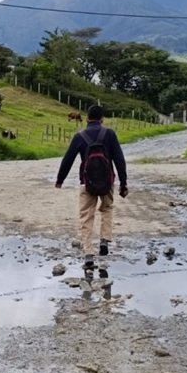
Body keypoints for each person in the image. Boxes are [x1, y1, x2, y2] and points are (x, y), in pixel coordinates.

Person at [54, 105, 128, 269]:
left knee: (86, 217)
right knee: (107, 208)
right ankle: (104, 240)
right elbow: (119, 160)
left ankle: (88, 253)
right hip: (107, 182)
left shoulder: (79, 136)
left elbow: (68, 159)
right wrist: (123, 183)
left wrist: (60, 180)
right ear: (102, 119)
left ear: (87, 118)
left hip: (86, 183)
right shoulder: (109, 134)